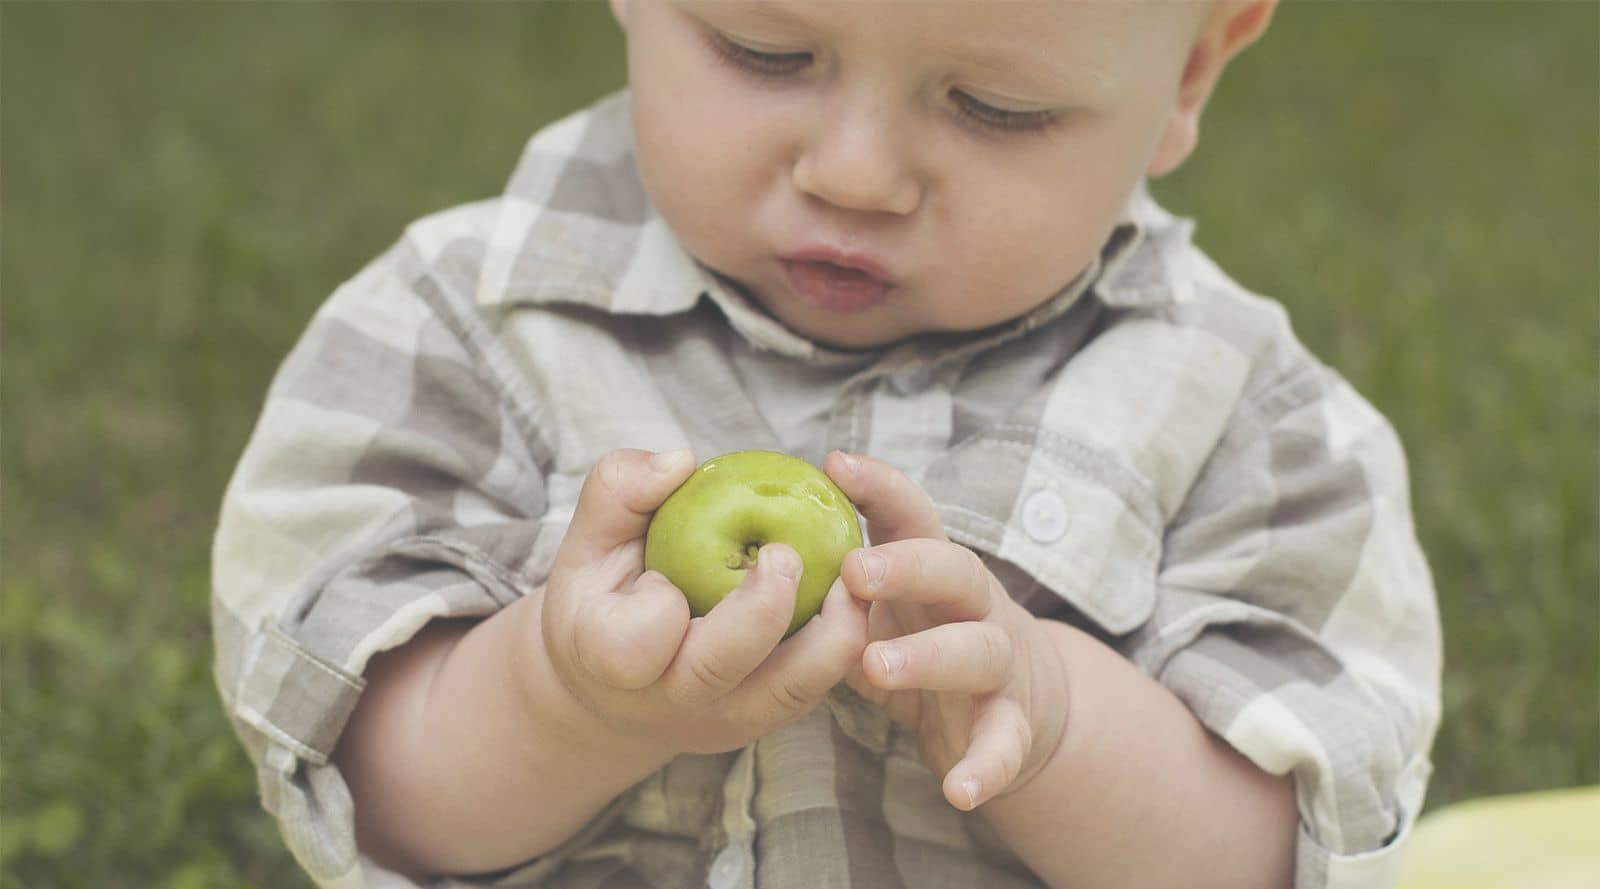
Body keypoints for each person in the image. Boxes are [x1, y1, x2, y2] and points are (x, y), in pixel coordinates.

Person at [211, 1, 1442, 887]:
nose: (854, 176)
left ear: (1192, 69)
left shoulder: (1245, 417)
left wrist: (1055, 725)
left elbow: (1283, 852)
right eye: (765, 51)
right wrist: (568, 699)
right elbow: (363, 780)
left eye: (995, 107)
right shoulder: (458, 328)